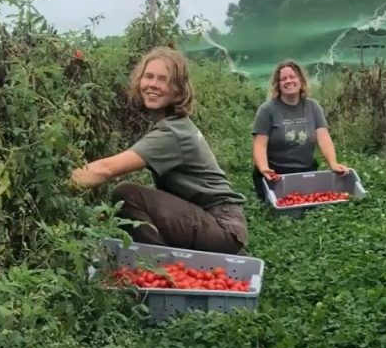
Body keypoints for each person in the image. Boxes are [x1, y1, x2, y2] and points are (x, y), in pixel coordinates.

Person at [70, 46, 248, 254]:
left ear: (179, 90)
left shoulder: (172, 133)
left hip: (223, 228)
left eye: (163, 79)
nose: (153, 85)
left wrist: (55, 187)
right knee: (131, 201)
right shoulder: (174, 124)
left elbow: (105, 169)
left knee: (126, 194)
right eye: (149, 77)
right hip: (219, 223)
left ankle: (161, 269)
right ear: (139, 81)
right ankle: (168, 265)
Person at [251, 59, 348, 202]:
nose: (288, 81)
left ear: (301, 80)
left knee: (309, 209)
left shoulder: (313, 107)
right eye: (283, 79)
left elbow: (323, 137)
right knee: (277, 210)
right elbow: (260, 144)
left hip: (305, 171)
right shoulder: (267, 109)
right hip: (275, 174)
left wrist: (332, 163)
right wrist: (264, 168)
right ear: (278, 85)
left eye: (292, 77)